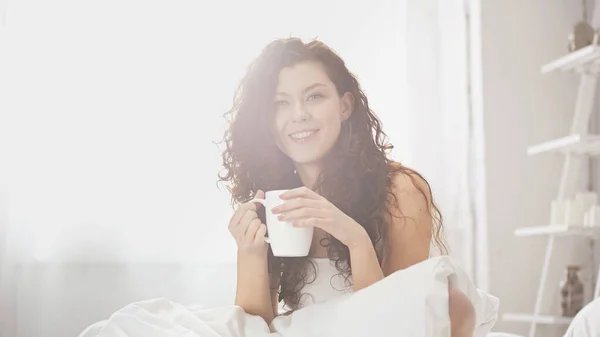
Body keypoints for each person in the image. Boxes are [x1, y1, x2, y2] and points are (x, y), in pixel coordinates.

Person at [218, 37, 475, 336]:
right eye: (280, 103)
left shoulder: (400, 190)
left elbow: (399, 325)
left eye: (314, 97)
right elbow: (254, 329)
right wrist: (249, 254)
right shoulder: (273, 201)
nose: (299, 114)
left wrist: (356, 240)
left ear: (345, 106)